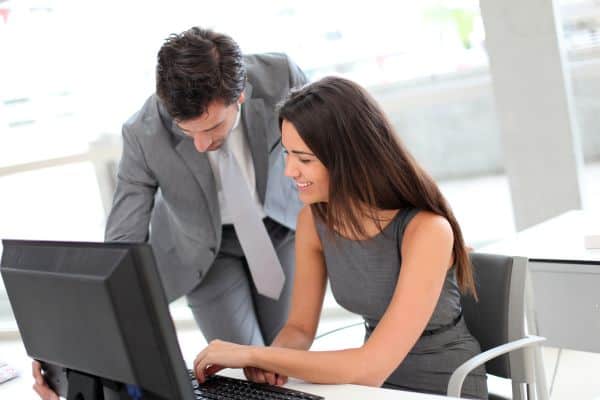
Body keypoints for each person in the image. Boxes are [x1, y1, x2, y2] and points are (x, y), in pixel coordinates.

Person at [32, 27, 306, 400]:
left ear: (239, 96)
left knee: (286, 363)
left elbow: (328, 148)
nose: (202, 144)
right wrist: (72, 350)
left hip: (279, 228)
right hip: (203, 252)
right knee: (246, 373)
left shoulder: (282, 78)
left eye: (212, 127)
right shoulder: (143, 132)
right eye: (187, 131)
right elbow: (121, 243)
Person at [192, 77, 489, 399]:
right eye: (288, 154)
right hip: (365, 389)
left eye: (304, 159)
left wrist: (253, 354)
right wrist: (273, 363)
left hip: (441, 387)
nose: (290, 171)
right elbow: (300, 329)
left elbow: (371, 368)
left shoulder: (427, 230)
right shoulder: (314, 220)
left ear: (350, 158)